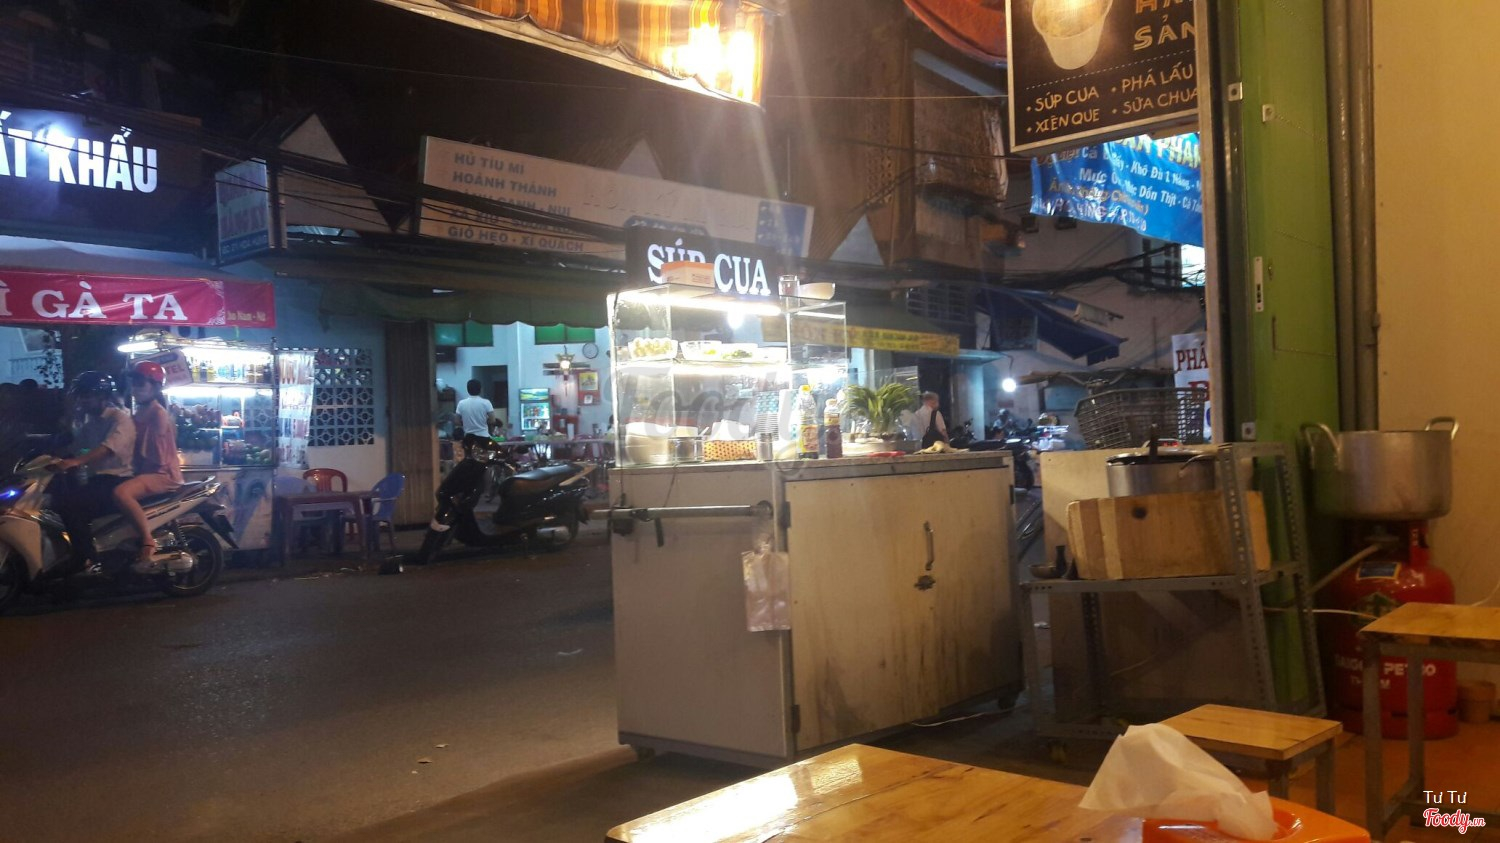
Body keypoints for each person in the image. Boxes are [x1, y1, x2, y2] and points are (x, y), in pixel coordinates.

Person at [50, 372, 136, 571]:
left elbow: (107, 448)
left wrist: (77, 461)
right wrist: (54, 455)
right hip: (97, 479)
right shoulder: (92, 421)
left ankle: (86, 558)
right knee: (55, 501)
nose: (82, 401)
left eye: (87, 396)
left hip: (117, 480)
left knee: (70, 506)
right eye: (80, 396)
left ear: (102, 396)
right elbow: (76, 446)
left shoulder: (120, 419)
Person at [114, 361, 183, 564]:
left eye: (141, 383)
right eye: (134, 382)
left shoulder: (158, 414)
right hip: (147, 472)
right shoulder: (140, 411)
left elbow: (155, 454)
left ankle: (147, 540)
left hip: (162, 474)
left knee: (121, 493)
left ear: (155, 386)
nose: (136, 387)